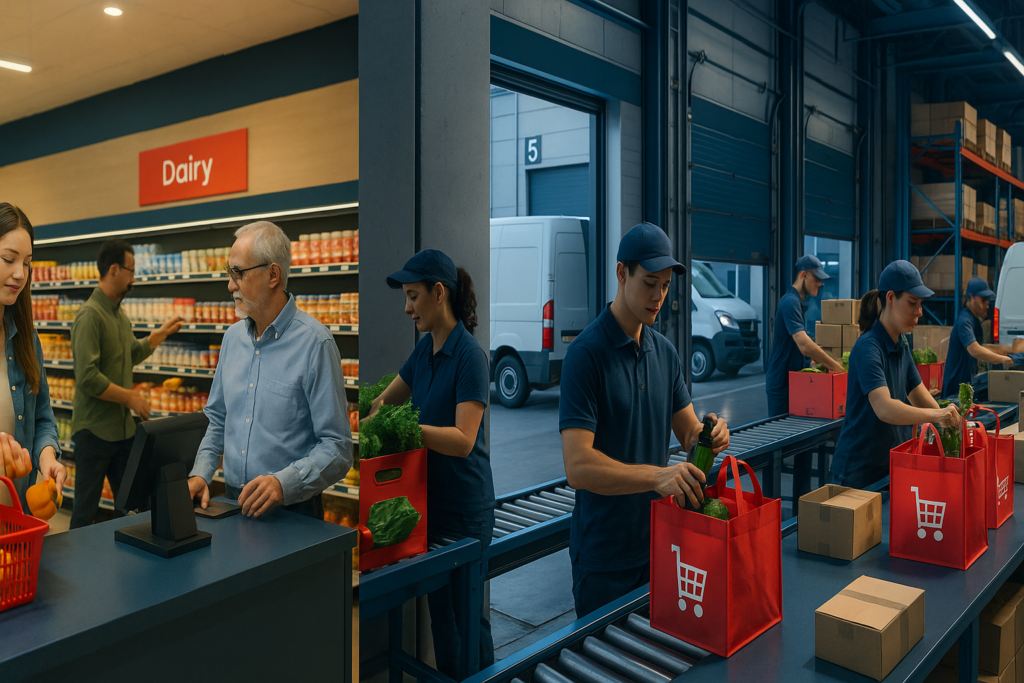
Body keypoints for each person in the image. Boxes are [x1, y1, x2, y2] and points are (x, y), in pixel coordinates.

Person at [560, 222, 730, 619]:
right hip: (604, 557)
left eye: (666, 286)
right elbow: (578, 466)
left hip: (659, 544)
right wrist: (657, 477)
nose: (659, 297)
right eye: (650, 283)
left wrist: (710, 433)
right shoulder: (586, 356)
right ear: (622, 273)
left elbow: (688, 432)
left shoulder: (664, 352)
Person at [366, 249, 494, 677]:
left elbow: (463, 440)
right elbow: (385, 404)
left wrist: (408, 428)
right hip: (429, 505)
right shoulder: (424, 352)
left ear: (439, 293)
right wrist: (365, 421)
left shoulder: (470, 357)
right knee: (442, 617)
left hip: (466, 510)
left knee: (467, 618)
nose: (407, 308)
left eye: (413, 296)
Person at [188, 221, 352, 521]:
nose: (230, 285)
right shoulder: (232, 339)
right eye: (229, 273)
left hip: (293, 512)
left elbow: (338, 448)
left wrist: (284, 483)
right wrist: (201, 473)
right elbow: (217, 418)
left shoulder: (315, 344)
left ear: (273, 275)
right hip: (232, 506)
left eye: (238, 273)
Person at [70, 240, 181, 529]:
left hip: (122, 433)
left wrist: (157, 337)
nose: (134, 277)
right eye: (130, 270)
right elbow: (87, 376)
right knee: (84, 513)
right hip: (93, 433)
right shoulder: (90, 316)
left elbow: (129, 354)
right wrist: (130, 398)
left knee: (134, 505)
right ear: (113, 270)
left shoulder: (119, 314)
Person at [830, 261, 961, 489]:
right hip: (859, 473)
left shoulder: (901, 344)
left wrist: (950, 420)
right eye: (912, 303)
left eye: (920, 304)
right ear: (890, 298)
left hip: (890, 466)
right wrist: (936, 415)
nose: (919, 311)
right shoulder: (868, 348)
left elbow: (919, 394)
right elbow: (885, 408)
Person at [0, 204, 66, 508]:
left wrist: (47, 457)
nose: (20, 274)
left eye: (27, 263)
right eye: (8, 259)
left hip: (16, 516)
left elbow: (42, 417)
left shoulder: (26, 338)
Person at [764, 254, 844, 417]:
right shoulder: (790, 302)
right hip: (782, 384)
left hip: (794, 382)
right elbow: (804, 344)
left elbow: (797, 344)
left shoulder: (798, 302)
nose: (820, 284)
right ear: (803, 275)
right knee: (783, 431)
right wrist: (836, 367)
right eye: (816, 279)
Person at [941, 276, 1014, 398]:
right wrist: (1003, 359)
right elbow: (975, 349)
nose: (987, 305)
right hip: (955, 388)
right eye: (983, 300)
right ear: (971, 297)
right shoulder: (964, 320)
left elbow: (981, 347)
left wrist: (1007, 350)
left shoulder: (974, 320)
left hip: (966, 384)